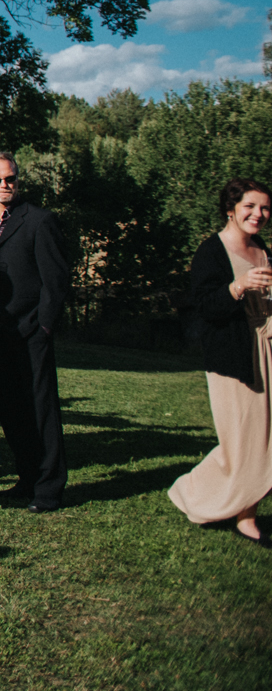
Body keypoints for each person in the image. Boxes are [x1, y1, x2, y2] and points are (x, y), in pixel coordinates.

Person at [170, 178, 272, 544]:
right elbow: (205, 308)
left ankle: (247, 515)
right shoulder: (212, 251)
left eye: (264, 208)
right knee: (242, 441)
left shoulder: (261, 247)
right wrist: (239, 285)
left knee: (267, 439)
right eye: (250, 206)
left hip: (267, 348)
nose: (258, 214)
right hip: (234, 356)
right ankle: (191, 491)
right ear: (231, 209)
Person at [0, 152, 69, 513]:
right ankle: (27, 478)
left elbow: (56, 282)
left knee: (41, 410)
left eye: (10, 179)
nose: (4, 186)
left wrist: (43, 325)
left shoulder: (39, 221)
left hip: (31, 331)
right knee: (10, 409)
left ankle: (49, 488)